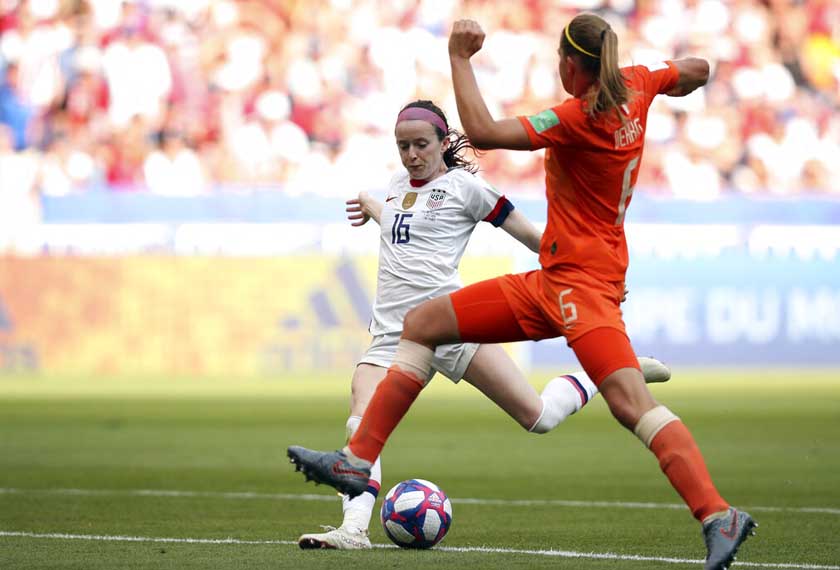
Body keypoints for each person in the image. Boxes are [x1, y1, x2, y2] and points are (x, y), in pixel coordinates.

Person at [295, 99, 671, 550]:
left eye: (420, 145)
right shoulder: (395, 186)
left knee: (538, 417)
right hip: (393, 334)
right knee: (360, 422)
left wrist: (588, 274)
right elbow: (404, 232)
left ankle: (615, 371)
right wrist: (373, 206)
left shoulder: (467, 188)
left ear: (443, 142)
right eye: (403, 146)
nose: (411, 155)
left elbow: (533, 237)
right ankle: (354, 530)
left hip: (450, 324)